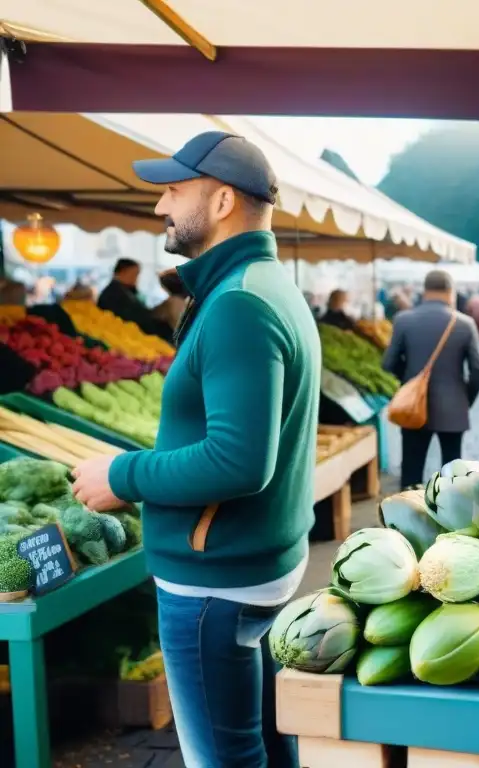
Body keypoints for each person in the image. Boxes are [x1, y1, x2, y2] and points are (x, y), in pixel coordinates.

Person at [70, 131, 320, 768]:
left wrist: (123, 475)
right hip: (246, 564)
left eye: (174, 190)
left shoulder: (238, 304)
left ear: (223, 201)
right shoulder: (259, 285)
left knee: (223, 755)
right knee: (264, 740)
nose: (160, 205)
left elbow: (238, 460)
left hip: (216, 580)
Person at [382, 270, 479, 489]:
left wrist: (409, 381)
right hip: (453, 407)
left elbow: (388, 363)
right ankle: (448, 510)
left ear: (425, 291)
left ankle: (408, 509)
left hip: (413, 406)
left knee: (411, 472)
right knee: (453, 477)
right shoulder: (464, 323)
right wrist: (464, 399)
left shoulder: (403, 320)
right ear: (451, 292)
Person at [98, 258, 172, 339]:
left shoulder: (124, 290)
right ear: (123, 272)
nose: (136, 278)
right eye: (134, 274)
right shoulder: (113, 294)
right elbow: (135, 317)